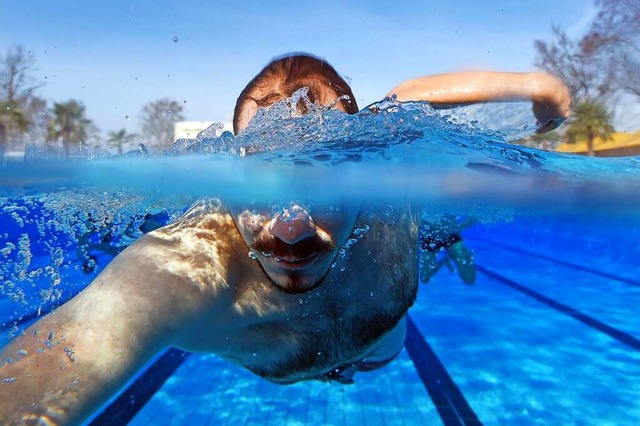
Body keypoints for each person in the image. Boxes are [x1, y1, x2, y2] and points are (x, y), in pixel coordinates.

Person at [0, 53, 570, 424]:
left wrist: (535, 84)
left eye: (322, 173)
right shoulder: (182, 271)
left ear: (364, 164)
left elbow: (405, 97)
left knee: (436, 241)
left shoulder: (390, 191)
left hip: (376, 349)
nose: (291, 227)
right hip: (332, 342)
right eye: (261, 176)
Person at [419, 215, 477, 284]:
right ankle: (452, 224)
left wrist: (444, 261)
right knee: (425, 277)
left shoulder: (466, 260)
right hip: (447, 232)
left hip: (433, 233)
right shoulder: (466, 259)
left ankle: (447, 261)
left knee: (425, 277)